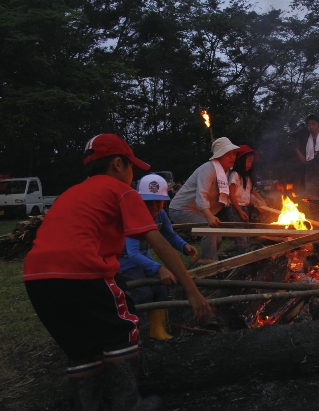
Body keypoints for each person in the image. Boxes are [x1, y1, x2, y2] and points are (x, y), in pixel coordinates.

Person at [23, 133, 211, 411]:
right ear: (119, 164)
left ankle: (91, 405)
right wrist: (193, 292)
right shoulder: (122, 192)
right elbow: (160, 245)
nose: (133, 174)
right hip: (82, 271)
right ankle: (129, 404)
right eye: (132, 167)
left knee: (81, 346)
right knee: (121, 330)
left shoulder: (70, 194)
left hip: (36, 277)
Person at [118, 173, 198, 341]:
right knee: (143, 294)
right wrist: (159, 268)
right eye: (148, 202)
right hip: (125, 263)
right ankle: (128, 331)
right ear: (139, 200)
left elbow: (169, 235)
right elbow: (132, 254)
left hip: (143, 261)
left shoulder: (160, 214)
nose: (153, 206)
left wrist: (184, 246)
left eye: (158, 201)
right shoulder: (134, 216)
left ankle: (157, 329)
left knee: (161, 287)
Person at [169, 137, 239, 259]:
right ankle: (209, 266)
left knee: (217, 238)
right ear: (219, 156)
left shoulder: (228, 172)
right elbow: (201, 194)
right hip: (180, 209)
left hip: (197, 211)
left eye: (233, 153)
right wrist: (209, 216)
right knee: (209, 230)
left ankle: (205, 262)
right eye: (228, 154)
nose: (232, 157)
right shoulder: (209, 168)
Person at [222, 145, 267, 251]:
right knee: (240, 235)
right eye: (247, 161)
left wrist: (262, 202)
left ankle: (245, 254)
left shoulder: (247, 178)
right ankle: (241, 257)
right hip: (234, 208)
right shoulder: (235, 175)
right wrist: (239, 211)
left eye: (251, 162)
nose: (249, 164)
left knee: (246, 234)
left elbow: (253, 191)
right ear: (239, 161)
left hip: (244, 208)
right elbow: (231, 195)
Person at [294, 114, 319, 225]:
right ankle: (318, 227)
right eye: (309, 124)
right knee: (313, 205)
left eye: (313, 124)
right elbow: (306, 161)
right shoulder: (307, 141)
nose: (311, 126)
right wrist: (297, 150)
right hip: (310, 177)